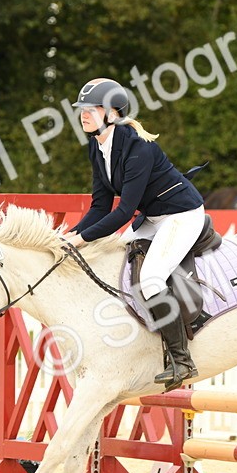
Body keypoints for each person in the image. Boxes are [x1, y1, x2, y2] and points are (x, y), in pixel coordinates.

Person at [64, 78, 206, 390]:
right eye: (82, 109)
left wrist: (81, 240)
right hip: (153, 217)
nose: (84, 114)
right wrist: (69, 236)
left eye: (92, 108)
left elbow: (124, 211)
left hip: (181, 215)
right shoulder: (96, 147)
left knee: (152, 278)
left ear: (113, 113)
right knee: (117, 259)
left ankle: (181, 360)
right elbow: (100, 206)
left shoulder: (137, 147)